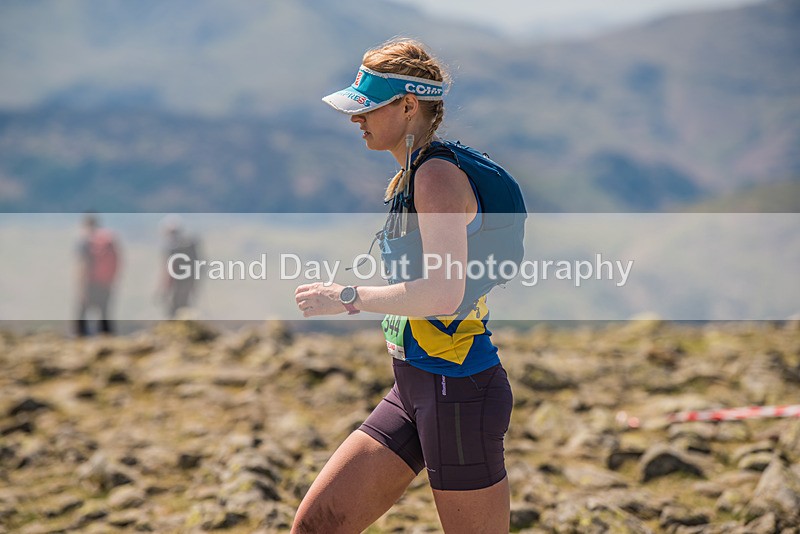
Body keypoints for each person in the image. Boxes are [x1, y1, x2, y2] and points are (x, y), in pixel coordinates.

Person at [293, 38, 525, 533]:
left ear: (408, 105)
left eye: (368, 108)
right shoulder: (416, 171)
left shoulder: (436, 176)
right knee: (317, 527)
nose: (357, 119)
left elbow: (442, 292)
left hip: (459, 389)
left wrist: (347, 298)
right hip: (415, 385)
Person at [76, 213, 120, 336]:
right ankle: (108, 339)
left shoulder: (85, 242)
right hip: (106, 283)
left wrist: (81, 288)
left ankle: (81, 341)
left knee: (82, 315)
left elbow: (82, 266)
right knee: (104, 314)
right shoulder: (107, 241)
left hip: (90, 283)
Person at [157, 215, 202, 318]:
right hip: (189, 281)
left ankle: (174, 330)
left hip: (176, 284)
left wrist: (163, 289)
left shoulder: (171, 248)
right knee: (185, 307)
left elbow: (168, 270)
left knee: (174, 310)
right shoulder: (188, 246)